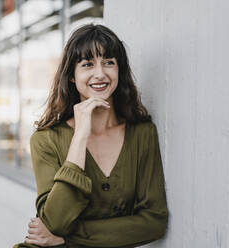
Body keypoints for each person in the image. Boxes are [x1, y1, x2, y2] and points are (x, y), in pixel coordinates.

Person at [14, 23, 168, 248]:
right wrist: (80, 137)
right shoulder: (45, 139)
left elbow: (153, 221)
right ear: (72, 77)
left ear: (119, 71)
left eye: (108, 63)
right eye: (87, 64)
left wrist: (68, 238)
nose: (100, 74)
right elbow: (54, 221)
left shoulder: (142, 134)